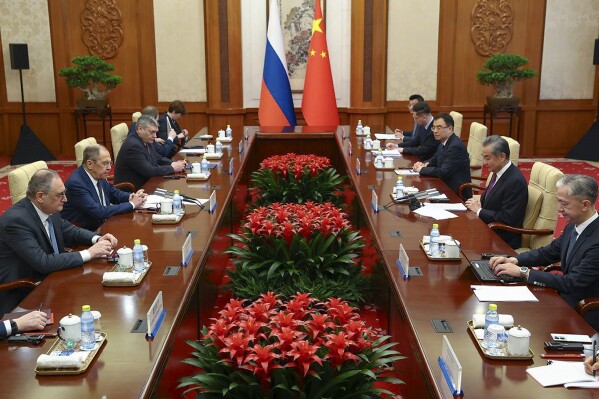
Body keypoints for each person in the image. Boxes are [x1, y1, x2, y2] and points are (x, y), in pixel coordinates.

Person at [490, 174, 599, 331]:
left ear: (585, 205)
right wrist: (516, 260)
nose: (559, 209)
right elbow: (549, 252)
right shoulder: (574, 224)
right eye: (558, 201)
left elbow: (571, 283)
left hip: (584, 312)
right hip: (564, 297)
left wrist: (523, 272)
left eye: (564, 203)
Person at [0, 169, 117, 313]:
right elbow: (43, 263)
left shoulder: (48, 208)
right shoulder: (16, 221)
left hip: (54, 278)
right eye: (60, 195)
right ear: (40, 196)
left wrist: (97, 238)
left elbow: (70, 231)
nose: (66, 199)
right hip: (26, 294)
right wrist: (89, 253)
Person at [61, 144, 147, 231]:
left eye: (110, 163)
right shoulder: (76, 184)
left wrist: (131, 197)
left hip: (103, 224)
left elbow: (113, 192)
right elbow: (99, 211)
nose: (109, 168)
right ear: (90, 164)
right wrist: (132, 204)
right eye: (105, 163)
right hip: (87, 232)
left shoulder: (97, 174)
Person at [465, 135, 528, 249]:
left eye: (487, 158)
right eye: (483, 158)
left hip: (502, 239)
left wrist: (479, 211)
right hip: (488, 229)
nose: (484, 162)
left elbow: (508, 218)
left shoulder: (515, 181)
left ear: (502, 156)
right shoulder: (498, 171)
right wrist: (479, 206)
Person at [114, 115, 187, 190]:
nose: (155, 136)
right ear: (140, 129)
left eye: (156, 132)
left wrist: (173, 163)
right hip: (133, 191)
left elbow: (157, 157)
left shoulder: (145, 139)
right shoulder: (133, 146)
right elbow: (149, 171)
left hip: (146, 184)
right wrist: (172, 168)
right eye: (152, 132)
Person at [412, 113, 472, 198]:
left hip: (456, 193)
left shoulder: (455, 146)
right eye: (434, 127)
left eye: (439, 127)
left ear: (450, 128)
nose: (435, 131)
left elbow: (443, 172)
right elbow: (434, 159)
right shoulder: (444, 142)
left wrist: (422, 169)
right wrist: (423, 164)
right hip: (444, 186)